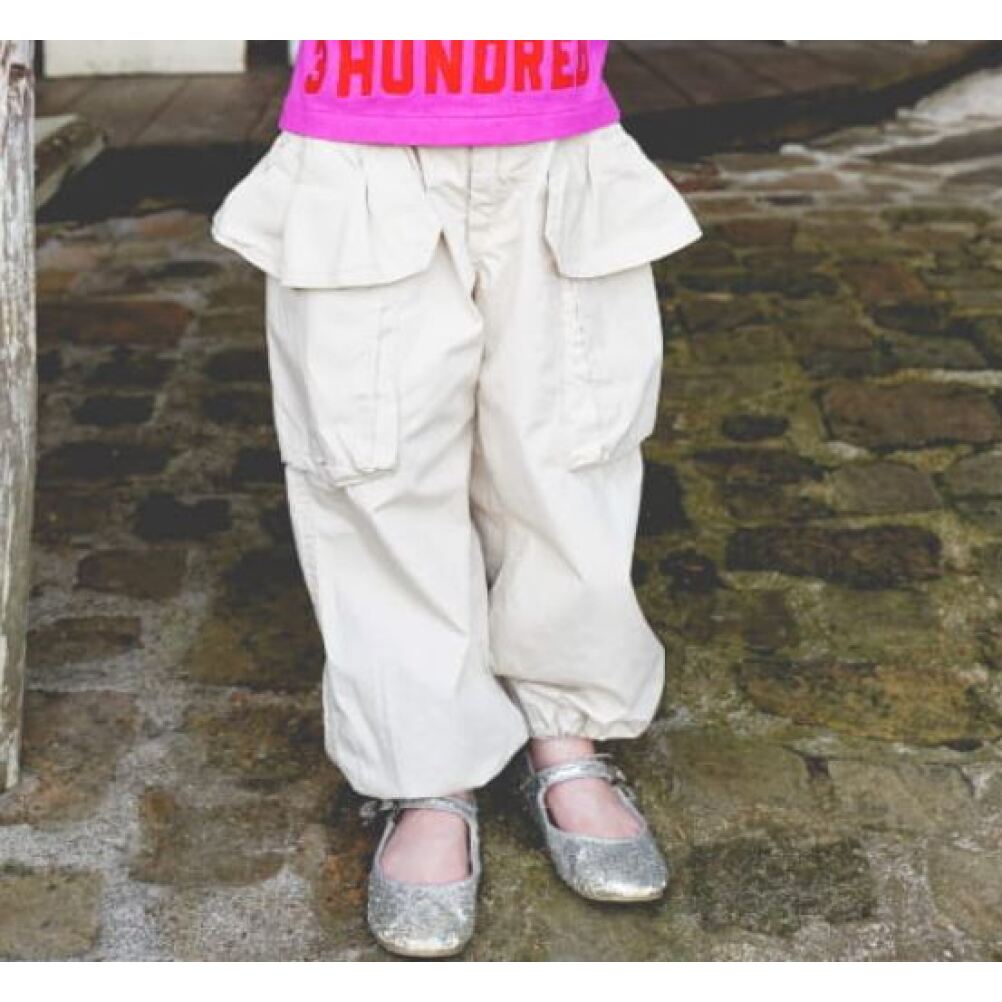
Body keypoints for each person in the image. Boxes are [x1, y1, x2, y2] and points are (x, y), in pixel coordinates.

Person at [211, 39, 702, 958]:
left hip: (554, 121)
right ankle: (425, 769)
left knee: (570, 454)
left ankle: (566, 731)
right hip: (361, 128)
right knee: (375, 471)